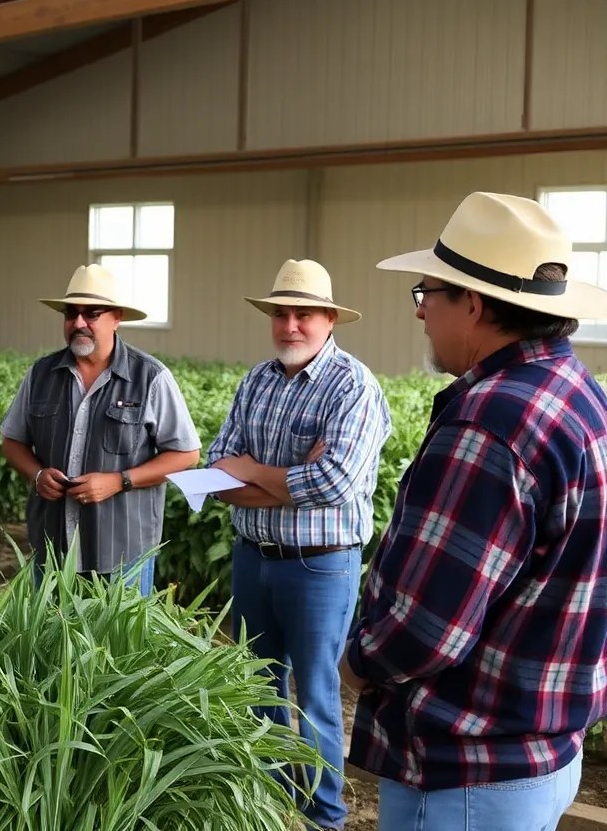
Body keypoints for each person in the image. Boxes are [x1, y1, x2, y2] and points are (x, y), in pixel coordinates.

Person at [344, 192, 607, 831]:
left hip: (467, 773)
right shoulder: (582, 396)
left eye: (428, 293)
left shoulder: (490, 423)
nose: (421, 312)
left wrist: (354, 664)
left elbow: (427, 627)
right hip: (544, 752)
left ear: (476, 303)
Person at [207, 258, 391, 831]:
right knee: (257, 686)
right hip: (252, 558)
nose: (290, 325)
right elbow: (215, 474)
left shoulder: (353, 386)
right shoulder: (257, 380)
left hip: (319, 567)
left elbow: (334, 483)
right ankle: (264, 803)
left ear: (330, 319)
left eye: (303, 314)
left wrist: (252, 472)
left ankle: (323, 815)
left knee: (314, 695)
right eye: (281, 314)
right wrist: (286, 477)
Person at [0, 263, 200, 595]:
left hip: (123, 552)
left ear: (116, 318)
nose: (79, 323)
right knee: (49, 642)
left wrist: (118, 481)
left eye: (92, 313)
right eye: (71, 314)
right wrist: (37, 475)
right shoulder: (41, 374)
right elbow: (13, 441)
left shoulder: (149, 377)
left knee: (118, 645)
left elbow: (186, 453)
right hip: (52, 548)